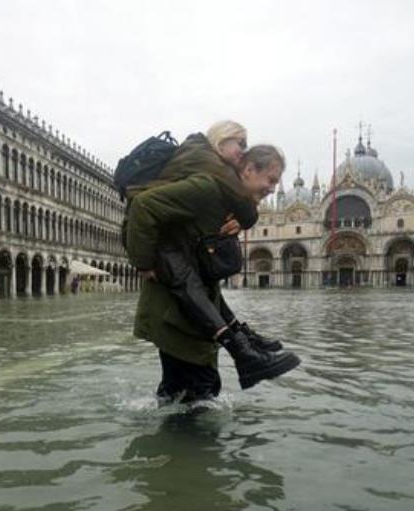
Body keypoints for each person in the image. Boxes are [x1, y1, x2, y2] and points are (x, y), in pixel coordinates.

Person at [127, 145, 300, 401]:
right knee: (197, 390)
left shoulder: (231, 203)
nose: (272, 188)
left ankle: (244, 348)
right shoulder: (209, 189)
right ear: (250, 170)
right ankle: (243, 356)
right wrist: (143, 264)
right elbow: (143, 206)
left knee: (185, 390)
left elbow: (204, 258)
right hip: (176, 307)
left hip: (193, 306)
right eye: (271, 179)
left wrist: (243, 219)